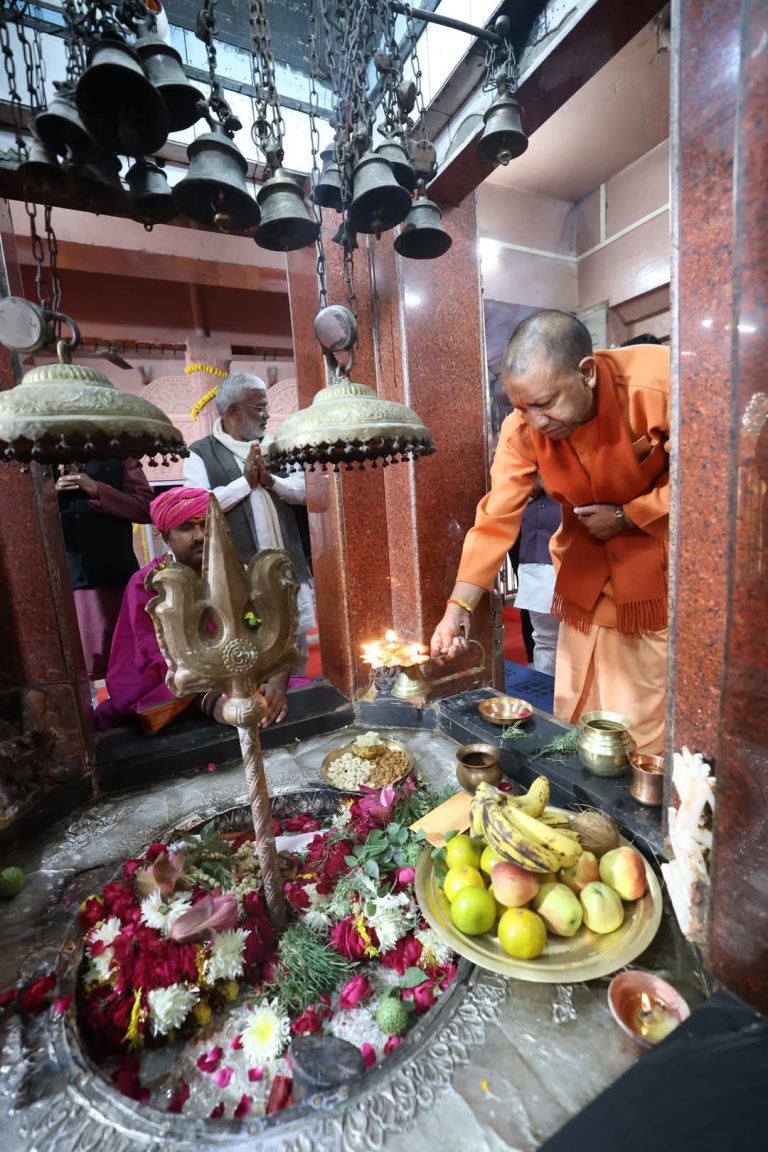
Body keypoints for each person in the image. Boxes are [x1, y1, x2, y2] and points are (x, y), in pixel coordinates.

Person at [430, 309, 670, 753]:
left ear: (587, 374)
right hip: (584, 580)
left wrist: (630, 515)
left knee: (639, 727)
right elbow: (496, 514)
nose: (536, 421)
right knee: (575, 710)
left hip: (652, 583)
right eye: (522, 406)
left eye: (546, 403)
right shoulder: (522, 427)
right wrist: (459, 605)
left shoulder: (657, 382)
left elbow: (713, 473)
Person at [95, 487, 289, 734]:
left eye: (206, 525)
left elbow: (265, 628)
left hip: (246, 681)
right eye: (186, 528)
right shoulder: (147, 583)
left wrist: (275, 684)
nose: (200, 536)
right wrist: (212, 701)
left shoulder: (237, 572)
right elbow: (156, 658)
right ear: (166, 538)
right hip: (181, 695)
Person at [183, 373, 314, 675]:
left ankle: (298, 699)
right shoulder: (200, 453)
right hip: (241, 576)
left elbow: (306, 490)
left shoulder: (280, 446)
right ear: (233, 411)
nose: (267, 414)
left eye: (266, 406)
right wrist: (244, 483)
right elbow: (199, 505)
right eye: (259, 407)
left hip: (286, 568)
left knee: (295, 646)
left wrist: (272, 482)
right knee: (250, 645)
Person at [56, 458, 153, 683]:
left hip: (116, 576)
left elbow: (146, 507)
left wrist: (97, 490)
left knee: (130, 664)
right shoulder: (34, 456)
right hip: (63, 581)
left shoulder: (117, 451)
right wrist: (51, 493)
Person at [515, 481, 561, 676]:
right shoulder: (528, 506)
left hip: (545, 578)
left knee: (547, 641)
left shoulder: (531, 507)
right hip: (537, 578)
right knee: (545, 640)